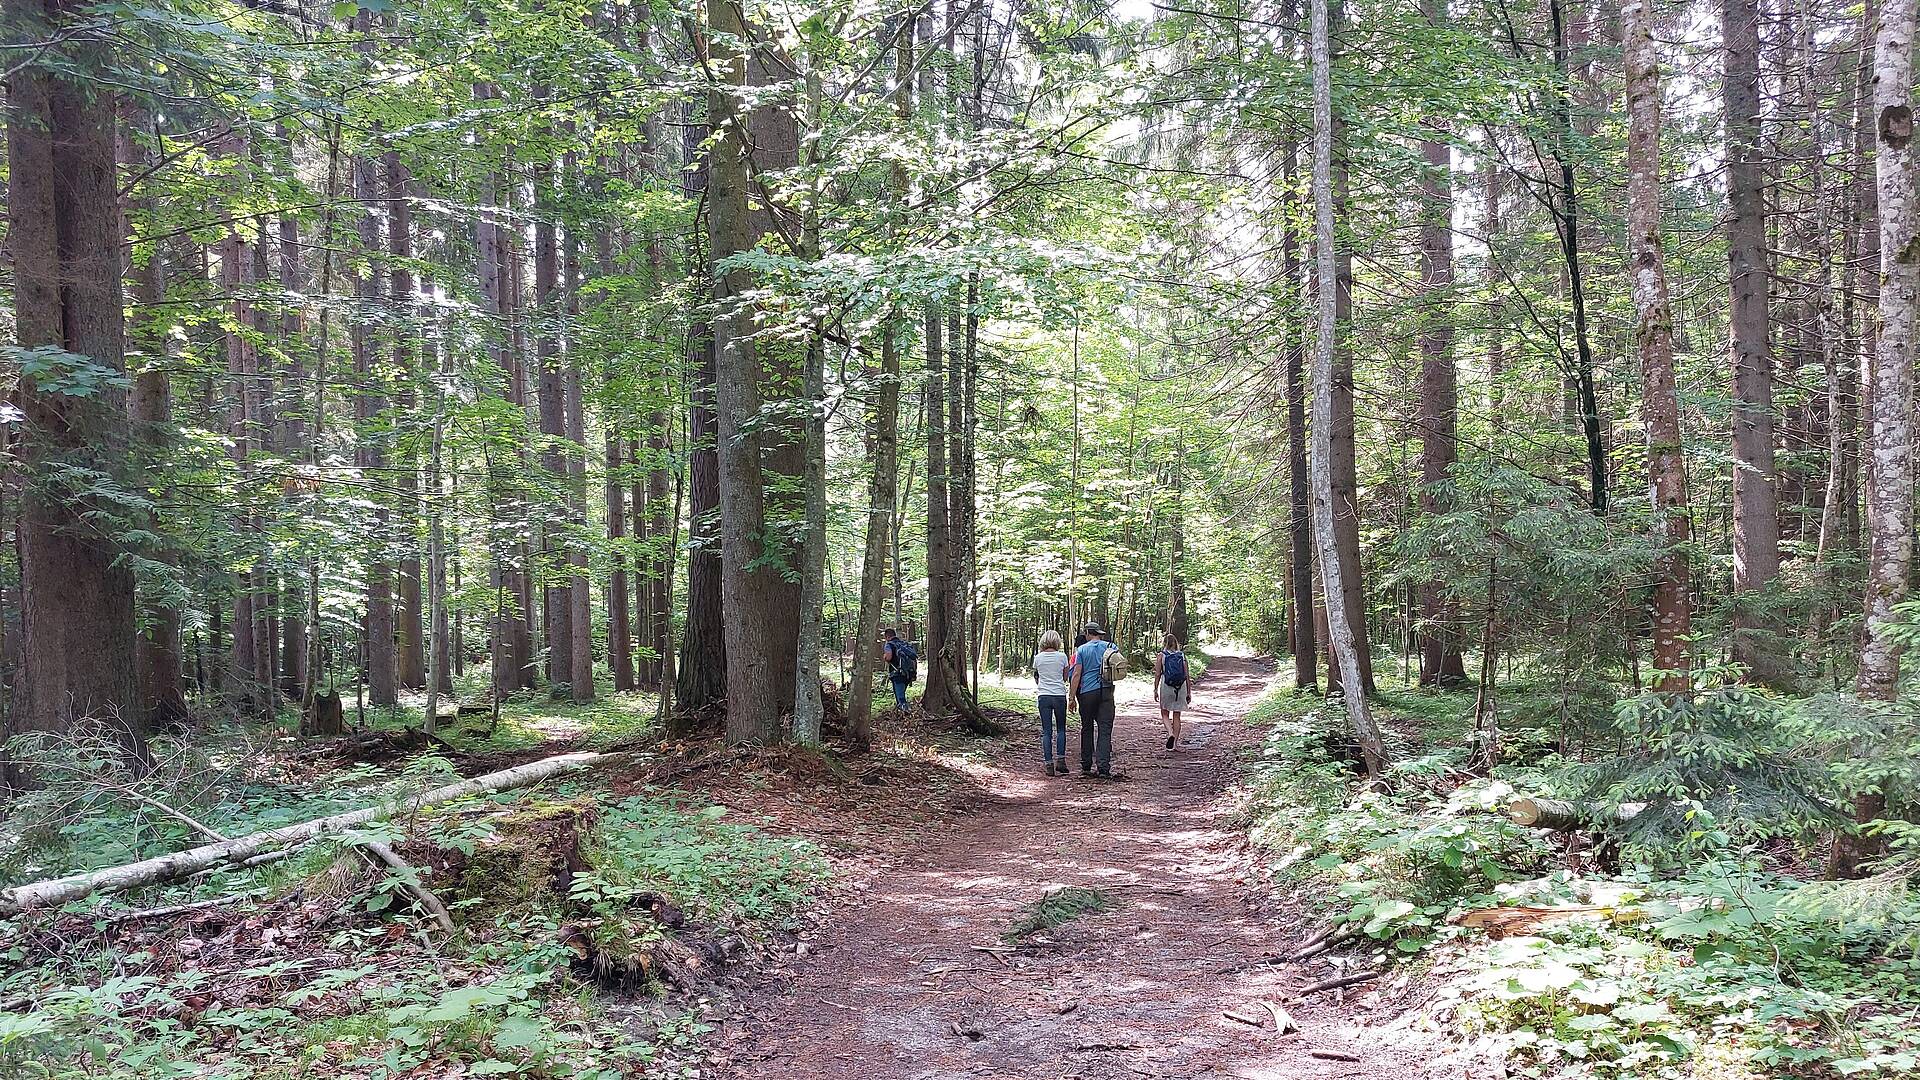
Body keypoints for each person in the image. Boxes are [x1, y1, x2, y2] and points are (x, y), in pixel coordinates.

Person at [1065, 623, 1119, 778]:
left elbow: (1076, 674)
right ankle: (1103, 768)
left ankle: (1086, 765)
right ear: (1099, 633)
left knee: (1087, 727)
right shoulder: (1111, 646)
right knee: (1105, 729)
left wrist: (1071, 697)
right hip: (1107, 691)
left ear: (1088, 633)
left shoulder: (1082, 650)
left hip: (1087, 693)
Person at [1033, 631, 1072, 776]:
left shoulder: (1038, 658)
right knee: (1061, 729)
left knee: (1046, 731)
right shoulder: (1062, 657)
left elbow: (1036, 676)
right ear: (1057, 642)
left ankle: (1048, 763)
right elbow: (1065, 677)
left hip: (1043, 696)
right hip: (1059, 695)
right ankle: (1061, 760)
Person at [1154, 633, 1194, 749]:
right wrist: (1188, 692)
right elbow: (1187, 675)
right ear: (1176, 643)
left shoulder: (1161, 656)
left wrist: (1155, 689)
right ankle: (1175, 744)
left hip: (1166, 686)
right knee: (1177, 715)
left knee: (1164, 713)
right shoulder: (1182, 656)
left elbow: (1157, 674)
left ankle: (1170, 733)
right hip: (1180, 687)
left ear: (1164, 643)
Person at [881, 628, 916, 711]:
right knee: (901, 695)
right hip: (908, 673)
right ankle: (903, 714)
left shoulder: (889, 644)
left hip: (897, 673)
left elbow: (889, 657)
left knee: (901, 699)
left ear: (887, 636)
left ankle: (906, 716)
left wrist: (885, 657)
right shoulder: (904, 644)